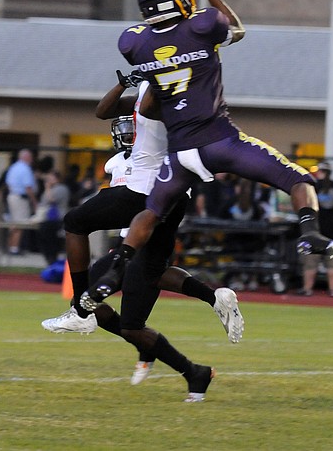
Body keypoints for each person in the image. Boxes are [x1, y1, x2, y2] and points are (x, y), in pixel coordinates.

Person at [84, 0, 333, 307]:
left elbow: (152, 95)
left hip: (179, 153)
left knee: (151, 213)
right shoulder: (202, 25)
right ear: (181, 1)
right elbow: (236, 28)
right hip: (219, 142)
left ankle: (116, 267)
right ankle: (311, 233)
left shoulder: (134, 43)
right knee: (299, 178)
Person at [44, 75, 243, 400]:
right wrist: (127, 84)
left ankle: (186, 357)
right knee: (128, 298)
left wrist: (156, 72)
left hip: (155, 208)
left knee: (133, 307)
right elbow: (104, 110)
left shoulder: (170, 124)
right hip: (131, 237)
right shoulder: (121, 159)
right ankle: (194, 361)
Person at [297, 162, 333, 297]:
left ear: (320, 172)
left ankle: (307, 289)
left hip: (316, 232)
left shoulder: (313, 187)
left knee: (310, 264)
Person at [4, 148, 37, 254]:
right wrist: (34, 201)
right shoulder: (25, 168)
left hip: (12, 196)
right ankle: (14, 248)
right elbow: (28, 187)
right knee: (20, 223)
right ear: (26, 157)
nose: (32, 160)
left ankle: (11, 246)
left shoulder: (14, 167)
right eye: (30, 157)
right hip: (20, 198)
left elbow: (8, 183)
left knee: (14, 223)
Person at [34, 170, 71, 264]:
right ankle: (49, 258)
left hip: (57, 218)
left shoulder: (61, 188)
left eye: (51, 178)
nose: (49, 180)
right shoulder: (51, 189)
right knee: (44, 238)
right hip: (47, 218)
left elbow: (51, 199)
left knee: (52, 240)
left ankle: (52, 258)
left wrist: (47, 188)